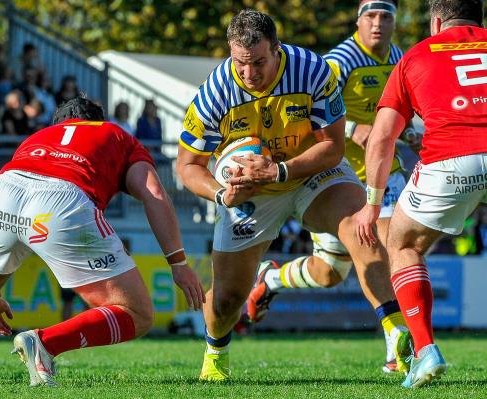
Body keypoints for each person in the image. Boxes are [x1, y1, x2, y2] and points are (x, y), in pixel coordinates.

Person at [0, 95, 204, 387]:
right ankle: (45, 342)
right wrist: (178, 262)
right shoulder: (115, 134)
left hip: (6, 188)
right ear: (98, 120)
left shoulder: (38, 137)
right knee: (137, 313)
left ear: (59, 124)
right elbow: (154, 193)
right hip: (63, 199)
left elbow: (25, 203)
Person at [176, 9, 408, 382]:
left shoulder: (314, 71)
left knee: (360, 227)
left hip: (309, 170)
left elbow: (332, 146)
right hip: (251, 192)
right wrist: (222, 195)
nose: (249, 74)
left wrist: (281, 170)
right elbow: (187, 166)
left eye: (259, 63)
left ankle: (398, 333)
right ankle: (215, 355)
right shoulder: (215, 92)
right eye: (240, 64)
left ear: (277, 49)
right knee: (226, 300)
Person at [246, 0, 413, 374]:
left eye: (386, 16)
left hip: (388, 174)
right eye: (371, 15)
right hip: (340, 178)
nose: (378, 23)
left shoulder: (400, 58)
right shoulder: (339, 59)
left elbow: (406, 107)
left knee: (337, 271)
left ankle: (271, 278)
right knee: (367, 254)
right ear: (358, 18)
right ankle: (399, 344)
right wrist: (356, 129)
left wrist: (412, 130)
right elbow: (313, 107)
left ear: (395, 21)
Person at [354, 0, 486, 388]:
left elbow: (381, 138)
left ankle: (426, 351)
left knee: (403, 241)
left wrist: (373, 204)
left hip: (451, 160)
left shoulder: (415, 56)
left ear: (436, 21)